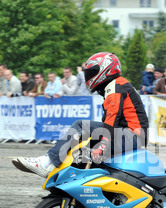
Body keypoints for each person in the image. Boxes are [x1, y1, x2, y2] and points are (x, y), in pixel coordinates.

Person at [15, 52, 149, 178]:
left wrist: (103, 143)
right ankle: (60, 173)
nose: (89, 76)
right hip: (133, 136)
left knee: (81, 125)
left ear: (106, 70)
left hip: (132, 136)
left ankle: (47, 161)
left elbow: (112, 119)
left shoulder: (115, 85)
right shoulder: (118, 85)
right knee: (83, 148)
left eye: (92, 72)